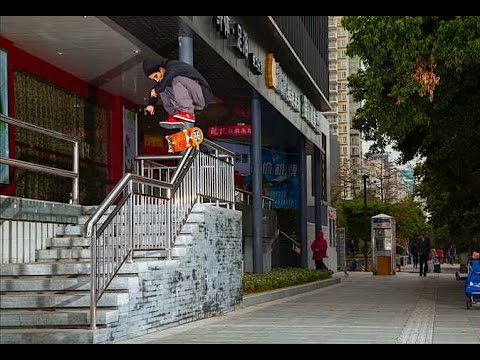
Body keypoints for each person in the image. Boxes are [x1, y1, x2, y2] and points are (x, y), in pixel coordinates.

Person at [143, 56, 212, 129]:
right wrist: (151, 104)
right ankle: (174, 115)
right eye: (154, 79)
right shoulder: (164, 79)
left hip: (201, 94)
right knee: (163, 88)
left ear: (161, 69)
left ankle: (188, 112)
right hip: (193, 101)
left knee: (175, 80)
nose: (156, 80)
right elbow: (155, 89)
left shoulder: (173, 66)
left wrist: (156, 89)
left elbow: (168, 77)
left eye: (156, 76)